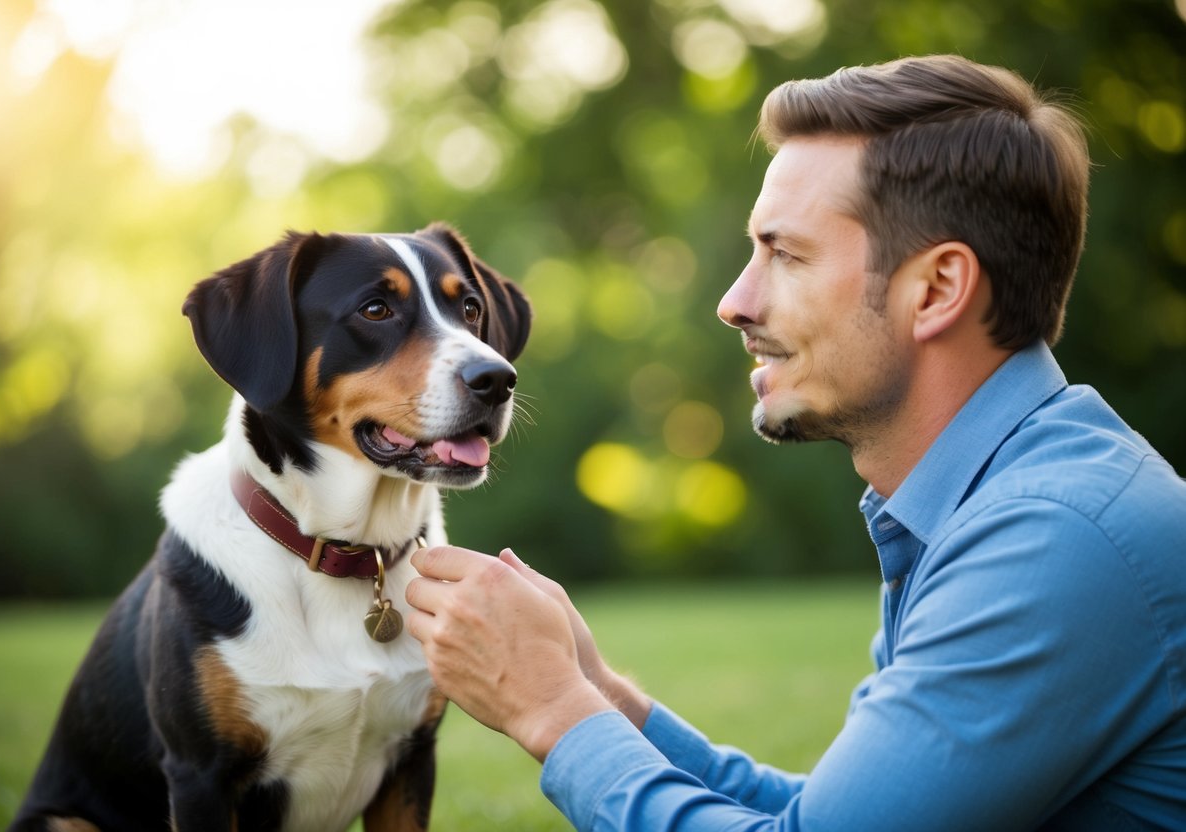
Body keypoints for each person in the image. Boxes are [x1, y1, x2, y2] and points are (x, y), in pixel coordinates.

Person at [404, 54, 1186, 830]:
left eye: (784, 254)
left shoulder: (1052, 539)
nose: (734, 301)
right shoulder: (990, 502)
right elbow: (830, 815)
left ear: (938, 289)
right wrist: (600, 692)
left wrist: (551, 710)